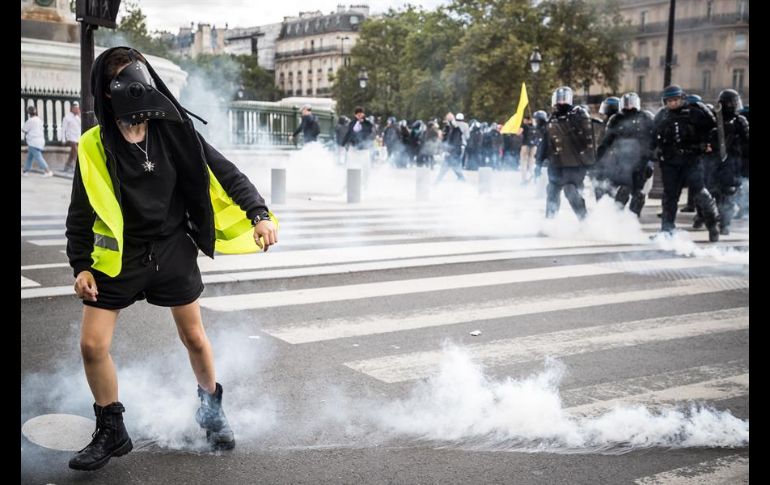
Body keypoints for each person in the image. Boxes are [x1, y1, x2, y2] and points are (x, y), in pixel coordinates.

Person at [64, 47, 278, 471]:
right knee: (92, 345)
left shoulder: (174, 129)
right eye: (119, 80)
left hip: (171, 249)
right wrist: (81, 266)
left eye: (134, 75)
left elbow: (224, 170)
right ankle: (111, 429)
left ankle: (211, 409)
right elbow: (81, 212)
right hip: (121, 257)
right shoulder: (94, 145)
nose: (132, 87)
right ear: (106, 93)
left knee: (195, 337)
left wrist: (258, 213)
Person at [653, 84, 719, 241]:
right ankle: (667, 230)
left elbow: (714, 130)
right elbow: (653, 136)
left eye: (675, 100)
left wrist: (708, 145)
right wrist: (652, 153)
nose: (672, 103)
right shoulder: (662, 115)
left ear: (682, 98)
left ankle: (712, 226)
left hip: (691, 160)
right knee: (670, 197)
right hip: (670, 162)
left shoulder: (696, 112)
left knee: (701, 193)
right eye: (669, 100)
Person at [536, 86, 595, 219]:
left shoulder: (579, 115)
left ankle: (585, 221)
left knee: (571, 191)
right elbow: (545, 142)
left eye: (564, 99)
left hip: (575, 165)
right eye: (559, 99)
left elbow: (589, 140)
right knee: (552, 191)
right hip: (556, 164)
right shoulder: (552, 118)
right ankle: (550, 223)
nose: (561, 102)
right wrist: (539, 162)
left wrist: (591, 164)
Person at [596, 92, 655, 216]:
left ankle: (633, 220)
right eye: (626, 104)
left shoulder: (646, 118)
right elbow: (607, 141)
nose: (629, 107)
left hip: (641, 162)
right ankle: (619, 218)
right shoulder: (616, 119)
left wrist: (651, 161)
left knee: (639, 193)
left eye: (632, 103)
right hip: (621, 162)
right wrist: (598, 159)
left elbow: (653, 141)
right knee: (623, 190)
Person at [21, 106, 54, 177]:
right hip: (40, 141)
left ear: (28, 113)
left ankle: (48, 171)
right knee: (30, 157)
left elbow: (24, 130)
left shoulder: (30, 121)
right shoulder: (39, 120)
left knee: (38, 157)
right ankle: (25, 171)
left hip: (33, 141)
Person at [62, 101, 82, 171]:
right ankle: (78, 168)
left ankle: (66, 166)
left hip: (78, 138)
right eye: (76, 108)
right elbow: (63, 129)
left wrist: (79, 115)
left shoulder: (78, 117)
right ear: (72, 108)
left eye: (78, 108)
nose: (77, 110)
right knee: (76, 153)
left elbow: (80, 126)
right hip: (71, 138)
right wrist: (63, 139)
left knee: (72, 153)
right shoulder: (67, 117)